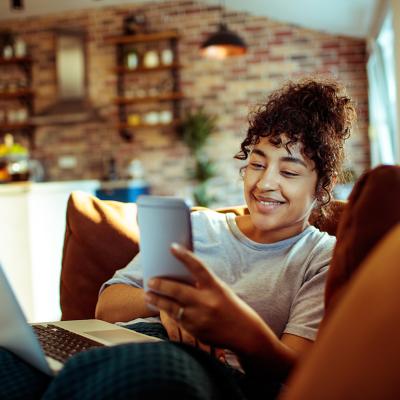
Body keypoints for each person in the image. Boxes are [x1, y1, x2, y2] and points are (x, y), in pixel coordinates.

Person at [0, 78, 356, 400]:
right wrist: (169, 304)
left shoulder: (321, 258)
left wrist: (233, 327)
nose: (264, 184)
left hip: (204, 372)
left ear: (321, 185)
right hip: (117, 345)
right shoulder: (198, 226)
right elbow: (107, 306)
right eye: (257, 164)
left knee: (150, 375)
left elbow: (296, 372)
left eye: (290, 171)